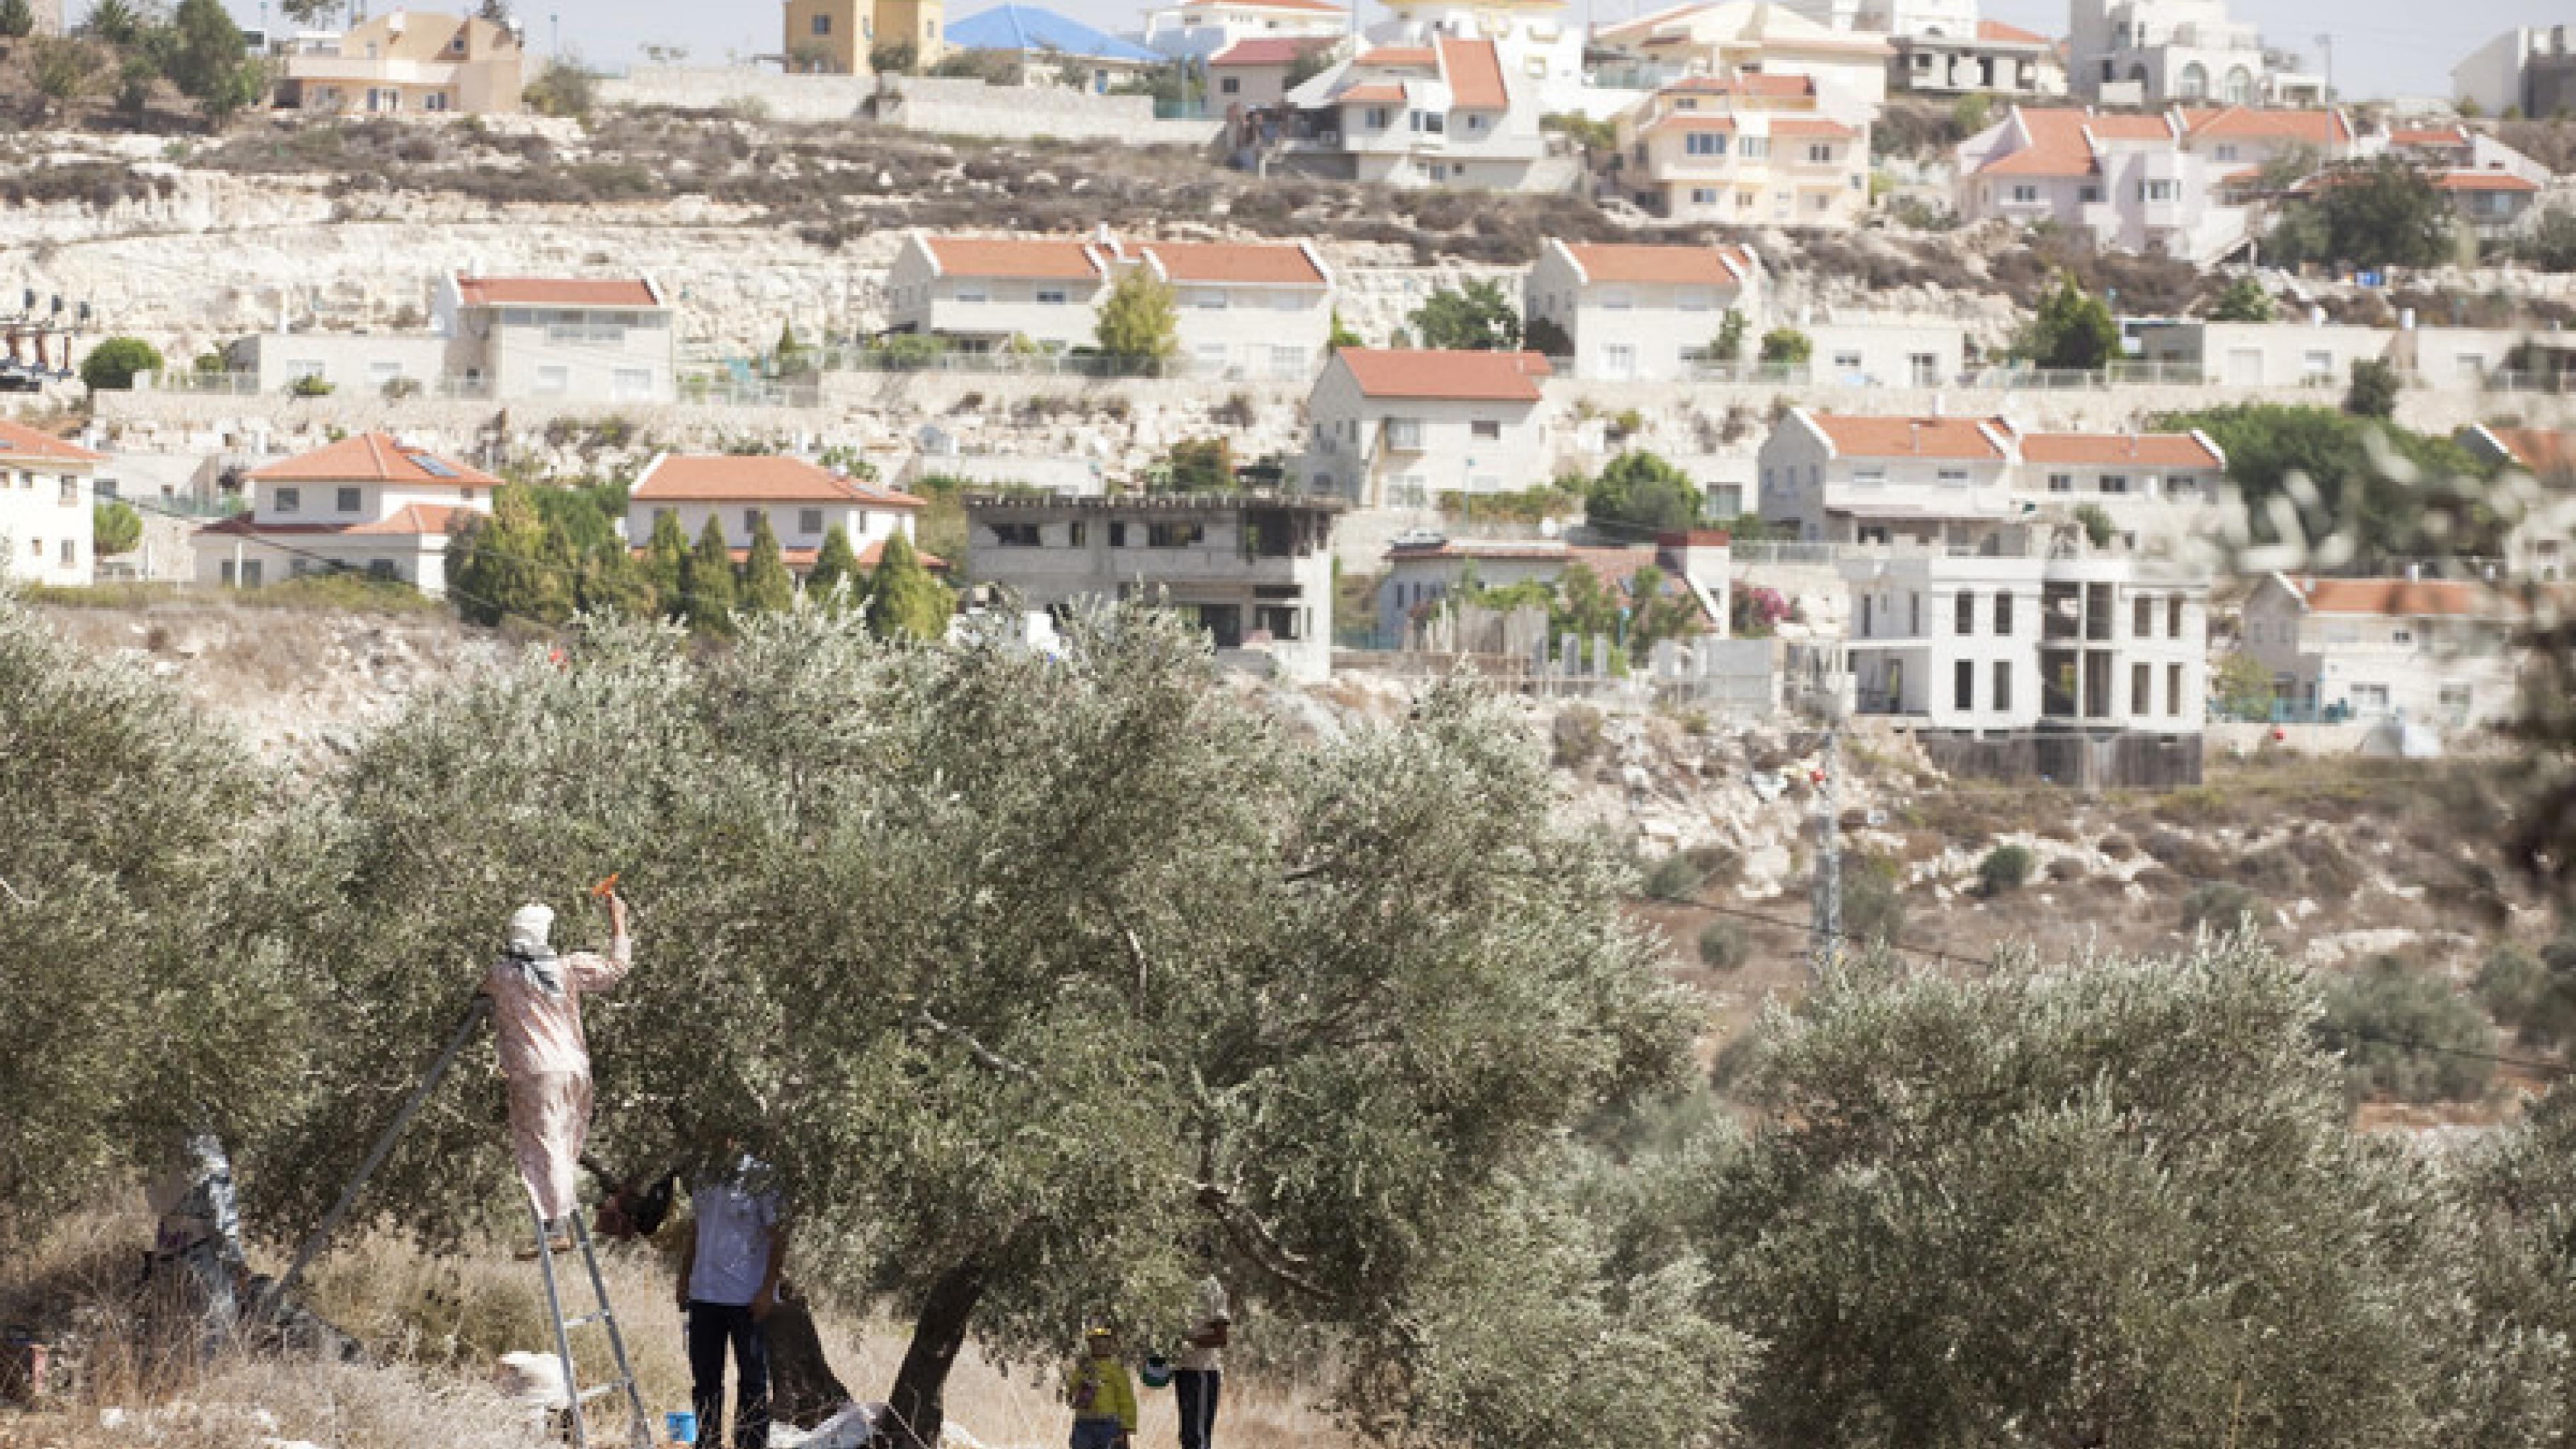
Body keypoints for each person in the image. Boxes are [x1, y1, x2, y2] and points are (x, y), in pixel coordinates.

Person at [483, 891, 630, 1248]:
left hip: (537, 1073)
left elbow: (480, 990)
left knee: (543, 1144)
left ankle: (555, 1227)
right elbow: (616, 970)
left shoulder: (503, 976)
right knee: (564, 1144)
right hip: (575, 1071)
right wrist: (618, 921)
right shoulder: (567, 968)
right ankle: (559, 1219)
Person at [679, 1156, 786, 1449]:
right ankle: (707, 1441)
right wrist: (684, 1279)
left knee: (752, 1381)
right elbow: (695, 1231)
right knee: (705, 1379)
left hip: (746, 1299)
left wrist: (767, 1291)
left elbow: (778, 1236)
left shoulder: (761, 1177)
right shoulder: (703, 1175)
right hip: (705, 1295)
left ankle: (750, 1444)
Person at [144, 1130, 246, 1362]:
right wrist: (235, 1260)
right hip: (200, 1252)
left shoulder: (159, 1144)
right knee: (215, 1332)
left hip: (166, 1251)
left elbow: (154, 1202)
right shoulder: (205, 1145)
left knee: (174, 1334)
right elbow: (220, 1211)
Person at [1172, 1278, 1229, 1449]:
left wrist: (1189, 1342)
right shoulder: (1174, 1280)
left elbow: (1221, 1338)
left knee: (1198, 1437)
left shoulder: (1211, 1287)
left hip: (1202, 1371)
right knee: (1187, 1435)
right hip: (1183, 1370)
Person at [1066, 1326, 1138, 1449]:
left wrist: (1125, 1429)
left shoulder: (1117, 1371)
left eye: (1104, 1341)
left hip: (1109, 1425)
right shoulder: (1082, 1369)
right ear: (1091, 1345)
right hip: (1084, 1423)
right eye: (1096, 1342)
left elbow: (1126, 1401)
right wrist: (1077, 1394)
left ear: (1110, 1346)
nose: (1100, 1345)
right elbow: (1071, 1393)